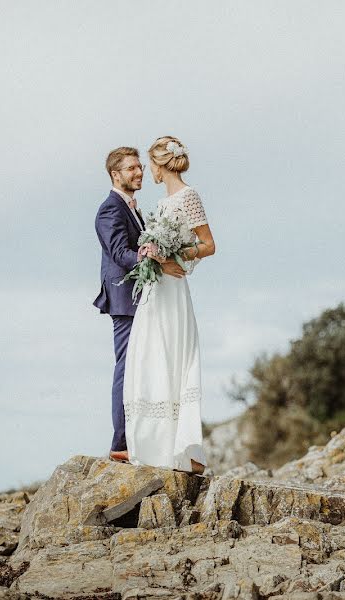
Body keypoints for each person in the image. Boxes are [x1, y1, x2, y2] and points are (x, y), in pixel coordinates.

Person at [123, 136, 216, 475]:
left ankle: (182, 449)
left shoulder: (188, 196)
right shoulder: (161, 204)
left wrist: (173, 256)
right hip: (155, 288)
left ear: (160, 165)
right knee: (151, 355)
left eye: (149, 165)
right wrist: (155, 256)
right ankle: (154, 446)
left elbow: (208, 244)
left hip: (173, 287)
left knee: (173, 355)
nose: (149, 171)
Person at [93, 146, 186, 464]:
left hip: (141, 297)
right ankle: (120, 443)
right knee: (126, 367)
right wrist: (156, 261)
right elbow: (120, 253)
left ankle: (136, 437)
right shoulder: (110, 210)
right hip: (125, 299)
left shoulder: (132, 208)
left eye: (140, 168)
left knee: (140, 367)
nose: (139, 172)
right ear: (115, 174)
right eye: (131, 168)